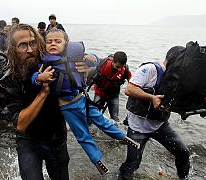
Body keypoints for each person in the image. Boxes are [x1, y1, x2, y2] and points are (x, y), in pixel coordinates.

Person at [32, 29, 140, 175]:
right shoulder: (45, 63)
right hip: (68, 107)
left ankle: (124, 138)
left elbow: (97, 60)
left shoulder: (74, 56)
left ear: (66, 44)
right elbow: (34, 77)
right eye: (49, 41)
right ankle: (97, 161)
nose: (53, 44)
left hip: (83, 100)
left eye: (58, 41)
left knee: (103, 121)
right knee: (82, 134)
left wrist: (92, 57)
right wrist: (39, 77)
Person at [0, 23, 70, 180]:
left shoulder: (52, 62)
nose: (30, 50)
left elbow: (78, 53)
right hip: (29, 139)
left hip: (56, 137)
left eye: (32, 43)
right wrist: (43, 93)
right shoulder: (9, 79)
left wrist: (86, 63)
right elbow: (20, 124)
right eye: (23, 45)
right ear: (13, 50)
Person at [118, 46, 192, 179]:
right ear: (171, 60)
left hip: (160, 125)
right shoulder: (151, 69)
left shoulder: (178, 78)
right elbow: (129, 89)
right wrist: (151, 97)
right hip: (137, 127)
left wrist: (203, 97)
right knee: (132, 164)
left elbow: (183, 101)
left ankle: (183, 177)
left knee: (183, 152)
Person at [92, 52, 131, 122]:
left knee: (115, 118)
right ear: (113, 61)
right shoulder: (103, 63)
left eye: (121, 67)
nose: (119, 69)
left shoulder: (125, 70)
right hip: (100, 93)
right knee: (94, 115)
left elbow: (132, 82)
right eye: (117, 67)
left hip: (113, 96)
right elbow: (91, 62)